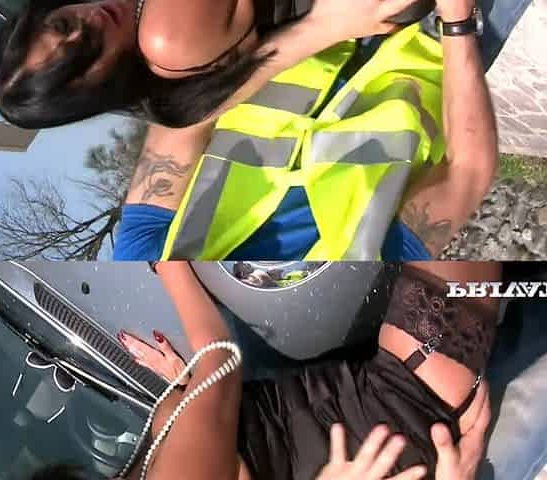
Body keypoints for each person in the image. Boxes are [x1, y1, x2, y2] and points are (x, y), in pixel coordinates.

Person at [114, 0, 498, 261]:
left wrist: (322, 28)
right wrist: (458, 22)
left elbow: (185, 114)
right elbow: (467, 172)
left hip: (311, 16)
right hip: (437, 45)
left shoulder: (145, 261)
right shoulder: (362, 292)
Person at [98, 260, 499, 479]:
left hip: (345, 420)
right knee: (449, 211)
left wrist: (192, 404)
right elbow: (218, 354)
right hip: (389, 423)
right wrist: (166, 259)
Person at [0, 0, 435, 129]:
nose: (90, 24)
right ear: (95, 88)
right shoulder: (164, 37)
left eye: (63, 24)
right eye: (82, 53)